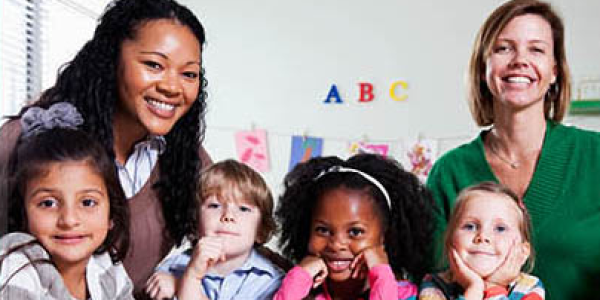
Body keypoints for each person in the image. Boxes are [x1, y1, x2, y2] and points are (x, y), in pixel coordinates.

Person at [0, 0, 211, 296]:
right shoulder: (24, 142)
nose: (172, 87)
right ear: (111, 58)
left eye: (188, 74)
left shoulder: (189, 162)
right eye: (154, 65)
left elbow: (237, 241)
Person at [426, 0, 600, 299]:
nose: (520, 60)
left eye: (536, 49)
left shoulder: (594, 155)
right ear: (484, 68)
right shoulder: (449, 173)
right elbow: (431, 276)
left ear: (554, 71)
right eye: (504, 48)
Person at [0, 103, 133, 299]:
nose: (69, 220)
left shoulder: (105, 264)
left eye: (87, 203)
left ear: (111, 214)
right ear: (23, 211)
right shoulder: (16, 268)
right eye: (48, 203)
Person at [273, 154, 434, 300]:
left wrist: (381, 275)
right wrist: (299, 277)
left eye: (355, 232)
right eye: (323, 230)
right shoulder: (302, 292)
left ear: (386, 235)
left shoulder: (410, 296)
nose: (336, 244)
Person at [145, 159, 286, 300]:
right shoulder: (171, 269)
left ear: (260, 231)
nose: (228, 216)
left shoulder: (273, 282)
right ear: (195, 223)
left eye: (243, 209)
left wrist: (188, 280)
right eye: (214, 206)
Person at [419, 182, 544, 300]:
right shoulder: (434, 285)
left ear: (522, 251)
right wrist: (474, 290)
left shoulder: (530, 287)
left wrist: (492, 286)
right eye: (470, 226)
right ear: (450, 240)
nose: (483, 236)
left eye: (500, 229)